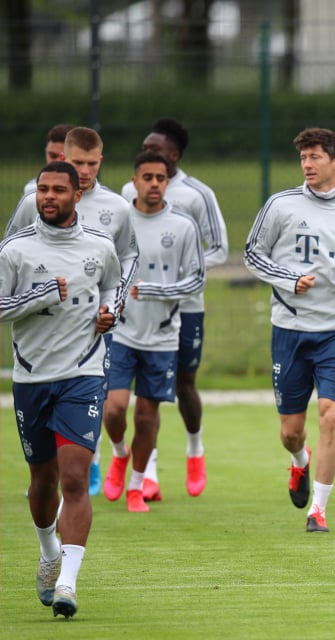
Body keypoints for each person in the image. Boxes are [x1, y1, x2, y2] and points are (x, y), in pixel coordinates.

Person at [244, 127, 335, 533]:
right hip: (289, 330)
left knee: (330, 417)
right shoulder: (280, 205)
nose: (307, 165)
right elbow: (253, 253)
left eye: (315, 157)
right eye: (303, 158)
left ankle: (318, 510)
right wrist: (288, 278)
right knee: (291, 431)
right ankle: (298, 461)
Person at [1, 161, 122, 618]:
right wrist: (44, 293)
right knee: (42, 481)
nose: (48, 197)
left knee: (74, 477)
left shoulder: (100, 245)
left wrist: (111, 312)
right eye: (42, 190)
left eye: (58, 190)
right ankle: (49, 549)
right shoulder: (15, 248)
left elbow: (113, 287)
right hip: (32, 376)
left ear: (77, 194)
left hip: (84, 374)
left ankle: (68, 584)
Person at [6, 126, 140, 497]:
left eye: (91, 163)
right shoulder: (35, 200)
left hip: (93, 326)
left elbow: (129, 256)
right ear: (62, 158)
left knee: (103, 402)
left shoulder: (115, 207)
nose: (84, 169)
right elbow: (10, 254)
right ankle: (55, 480)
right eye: (76, 162)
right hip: (41, 331)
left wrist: (113, 304)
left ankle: (88, 469)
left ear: (101, 162)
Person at [121, 117, 229, 501]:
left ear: (174, 156)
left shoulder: (198, 195)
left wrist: (182, 273)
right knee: (142, 395)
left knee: (184, 384)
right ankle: (146, 474)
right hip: (136, 311)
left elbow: (218, 249)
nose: (148, 155)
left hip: (185, 306)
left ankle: (194, 448)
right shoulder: (127, 192)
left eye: (156, 150)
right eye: (145, 149)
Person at [101, 151, 206, 513]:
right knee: (113, 409)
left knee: (146, 415)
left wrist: (154, 291)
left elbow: (197, 280)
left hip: (162, 336)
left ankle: (136, 485)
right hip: (121, 331)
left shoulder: (183, 226)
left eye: (161, 178)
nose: (154, 184)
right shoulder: (119, 221)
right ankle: (118, 453)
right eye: (147, 177)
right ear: (135, 180)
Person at [23, 124, 74, 193]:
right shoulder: (32, 190)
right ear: (46, 152)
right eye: (53, 156)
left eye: (64, 157)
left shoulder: (91, 194)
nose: (57, 162)